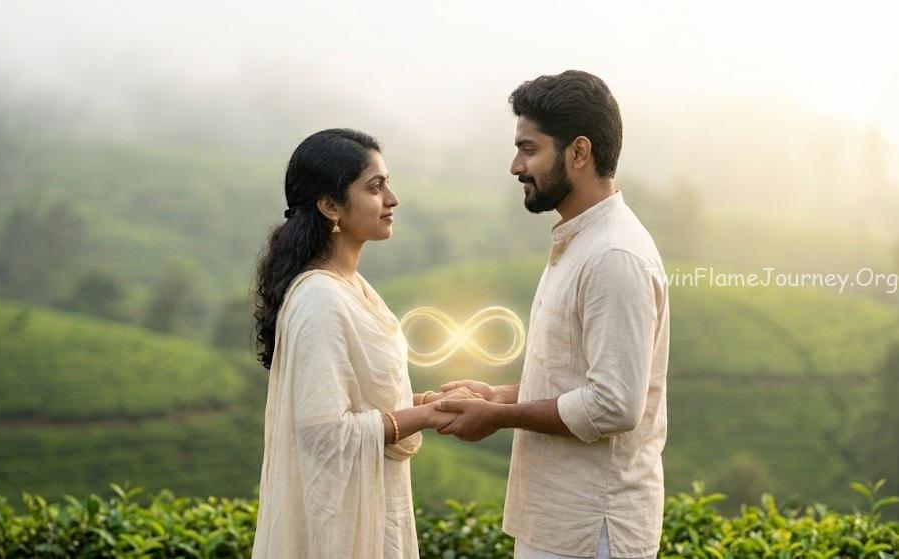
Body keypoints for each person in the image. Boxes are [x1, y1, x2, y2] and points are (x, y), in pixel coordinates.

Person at [436, 71, 670, 559]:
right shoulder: (580, 243)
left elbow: (614, 405)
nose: (515, 166)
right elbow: (577, 379)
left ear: (578, 153)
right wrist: (496, 394)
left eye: (529, 148)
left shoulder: (613, 255)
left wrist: (500, 417)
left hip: (593, 529)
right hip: (558, 519)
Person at [250, 128, 480, 558]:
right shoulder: (320, 298)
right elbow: (325, 433)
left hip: (381, 507)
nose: (392, 199)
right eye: (375, 187)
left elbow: (366, 401)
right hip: (340, 532)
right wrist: (426, 415)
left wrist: (430, 401)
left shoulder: (351, 287)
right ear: (330, 205)